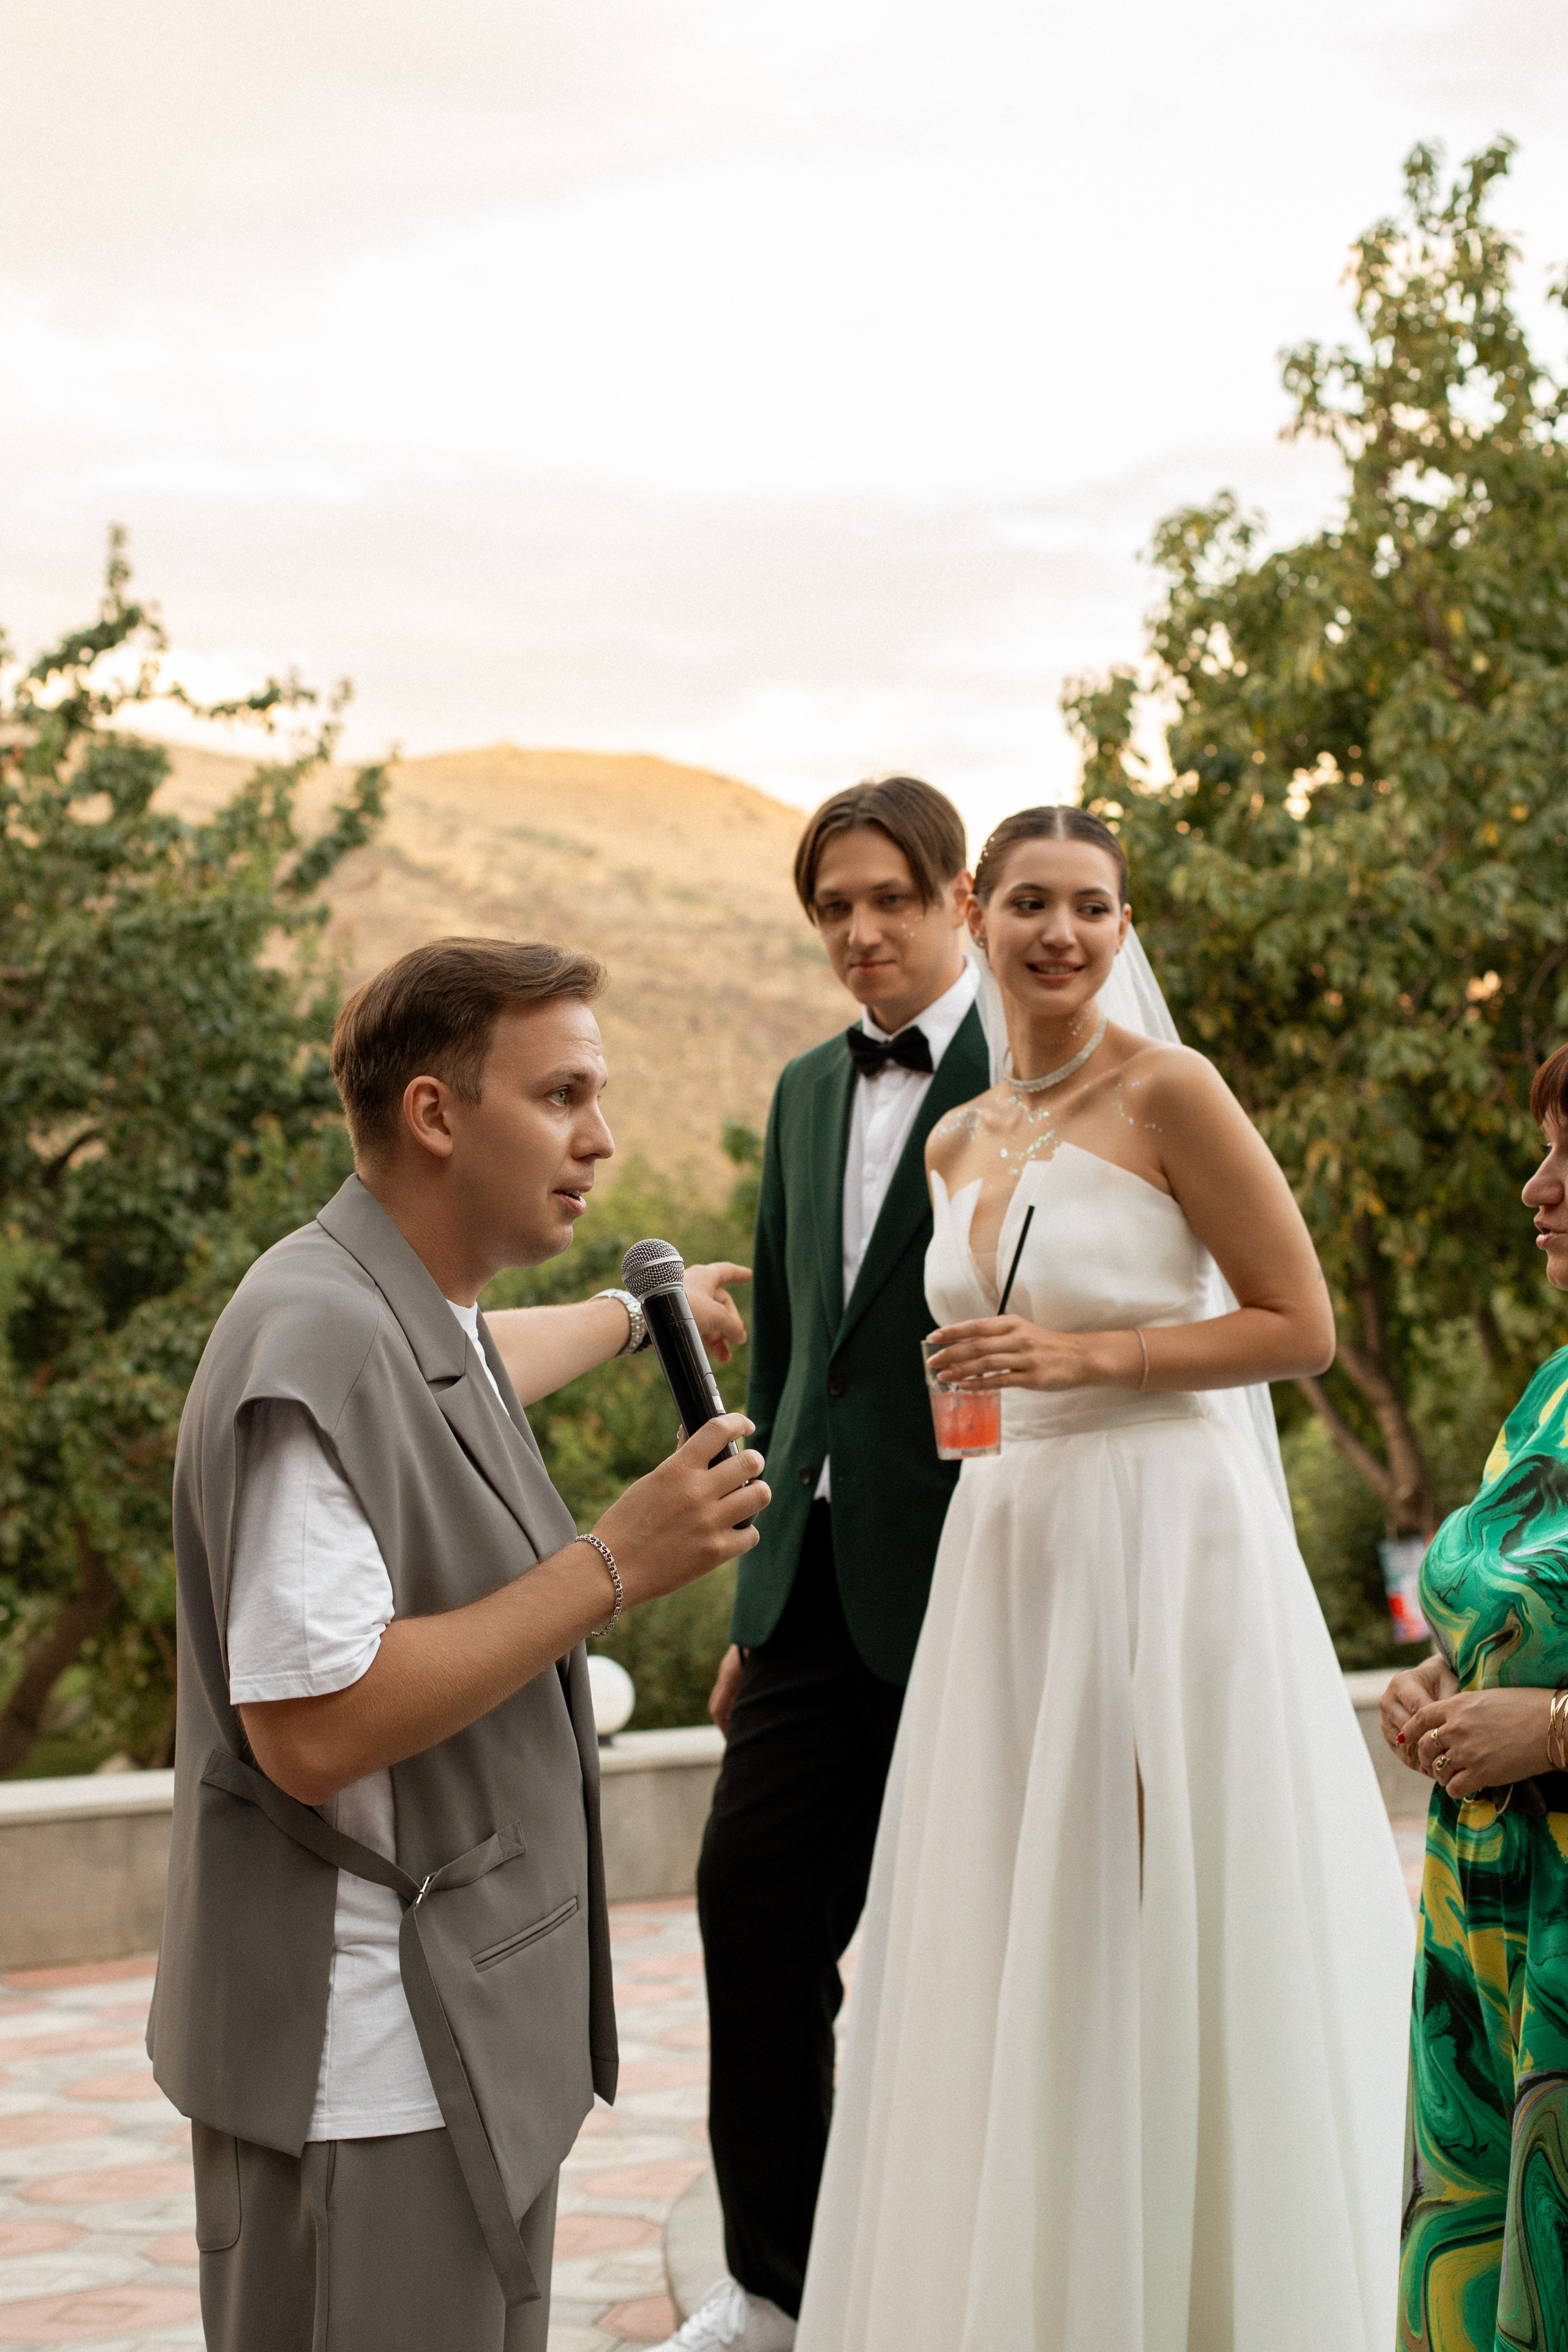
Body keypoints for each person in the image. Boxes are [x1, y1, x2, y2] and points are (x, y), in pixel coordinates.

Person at [793, 805, 1415, 2352]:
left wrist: (1085, 1355)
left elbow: (1297, 1325)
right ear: (976, 913)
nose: (1058, 932)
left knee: (1160, 1903)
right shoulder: (954, 1138)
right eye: (1027, 905)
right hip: (1010, 1544)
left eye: (1090, 907)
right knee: (1027, 1914)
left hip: (1160, 1529)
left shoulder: (1172, 1092)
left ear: (1122, 929)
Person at [147, 937, 769, 2352]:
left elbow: (466, 1368)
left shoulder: (392, 1306)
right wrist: (612, 1566)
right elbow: (309, 1730)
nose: (600, 1141)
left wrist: (636, 1318)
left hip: (441, 2042)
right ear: (435, 1115)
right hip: (365, 2060)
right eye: (561, 1097)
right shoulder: (314, 1340)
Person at [655, 777, 989, 2352]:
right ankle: (776, 2286)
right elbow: (791, 1350)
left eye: (888, 902)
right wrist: (751, 1594)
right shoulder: (799, 1092)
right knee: (752, 1909)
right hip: (808, 1589)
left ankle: (966, 2263)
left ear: (958, 898)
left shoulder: (1038, 1065)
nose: (860, 933)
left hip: (981, 1584)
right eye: (833, 909)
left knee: (976, 1933)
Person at [1381, 1041, 1568, 2351]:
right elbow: (1501, 1598)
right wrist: (1441, 1683)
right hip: (1481, 1945)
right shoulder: (1554, 1385)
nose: (1531, 1185)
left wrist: (1550, 1730)